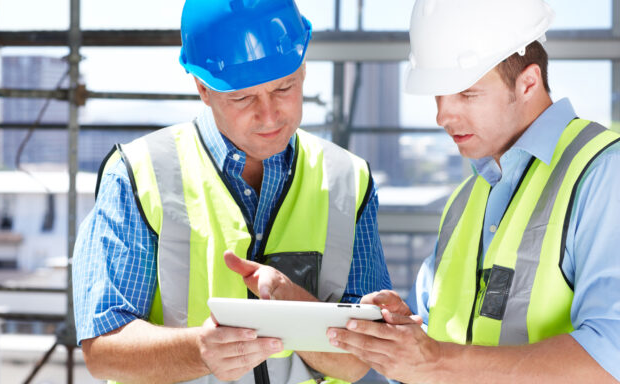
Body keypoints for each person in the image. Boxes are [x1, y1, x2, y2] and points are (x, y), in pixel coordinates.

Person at [71, 0, 392, 382]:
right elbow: (104, 350)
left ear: (303, 68)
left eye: (284, 87)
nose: (270, 115)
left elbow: (359, 361)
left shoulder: (348, 180)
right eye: (243, 98)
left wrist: (293, 305)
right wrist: (198, 351)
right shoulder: (138, 175)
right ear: (203, 89)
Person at [326, 0, 620, 382]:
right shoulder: (464, 201)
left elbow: (609, 359)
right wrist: (406, 336)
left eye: (466, 93)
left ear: (528, 83)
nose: (442, 116)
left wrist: (434, 360)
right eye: (438, 95)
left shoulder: (604, 173)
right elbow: (436, 348)